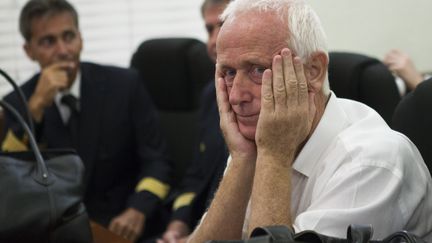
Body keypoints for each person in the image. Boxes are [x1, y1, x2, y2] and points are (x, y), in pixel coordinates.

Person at [187, 0, 432, 242]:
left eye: (258, 70)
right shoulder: (253, 141)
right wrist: (242, 159)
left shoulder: (371, 162)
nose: (236, 96)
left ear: (313, 70)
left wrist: (274, 155)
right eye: (229, 72)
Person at [1, 0, 172, 242]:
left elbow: (157, 161)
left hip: (122, 224)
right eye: (48, 42)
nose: (62, 50)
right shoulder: (18, 103)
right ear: (29, 51)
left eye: (68, 36)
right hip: (55, 232)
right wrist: (36, 108)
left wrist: (138, 209)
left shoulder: (124, 85)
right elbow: (10, 183)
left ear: (81, 38)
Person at [157, 1, 230, 242]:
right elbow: (198, 175)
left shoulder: (269, 100)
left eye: (224, 25)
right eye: (209, 30)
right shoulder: (211, 95)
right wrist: (178, 225)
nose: (212, 41)